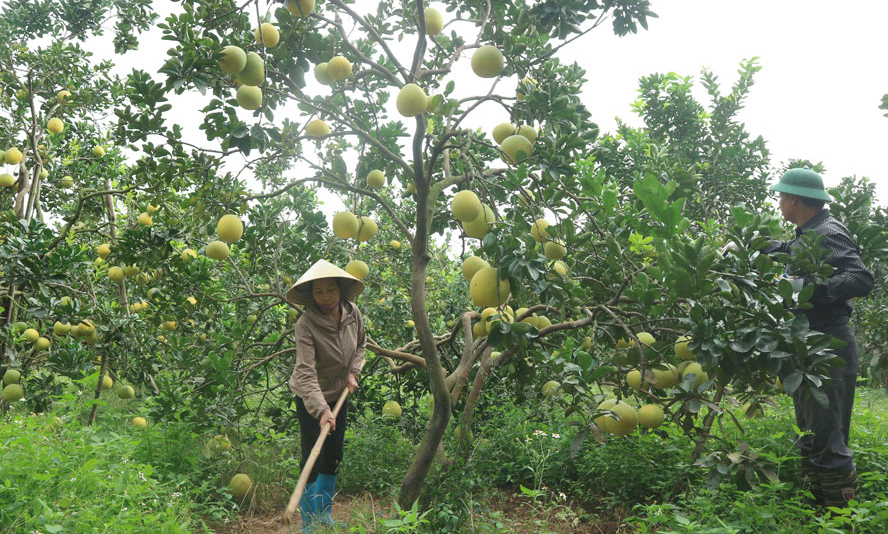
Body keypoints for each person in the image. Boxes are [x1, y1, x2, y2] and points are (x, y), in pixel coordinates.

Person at [762, 168, 874, 507]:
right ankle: (818, 513)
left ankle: (841, 517)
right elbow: (796, 253)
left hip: (828, 344)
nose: (779, 202)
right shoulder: (806, 234)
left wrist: (810, 292)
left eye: (782, 196)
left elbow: (860, 279)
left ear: (795, 199)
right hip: (808, 345)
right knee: (810, 435)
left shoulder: (827, 231)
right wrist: (768, 248)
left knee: (828, 437)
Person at [286, 259, 366, 532]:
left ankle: (325, 515)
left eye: (330, 290)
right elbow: (306, 374)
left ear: (341, 290)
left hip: (339, 392)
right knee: (313, 454)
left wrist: (353, 372)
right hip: (310, 395)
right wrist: (322, 411)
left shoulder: (353, 312)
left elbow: (361, 346)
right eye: (318, 292)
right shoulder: (305, 325)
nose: (325, 298)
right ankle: (310, 522)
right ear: (311, 295)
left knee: (332, 454)